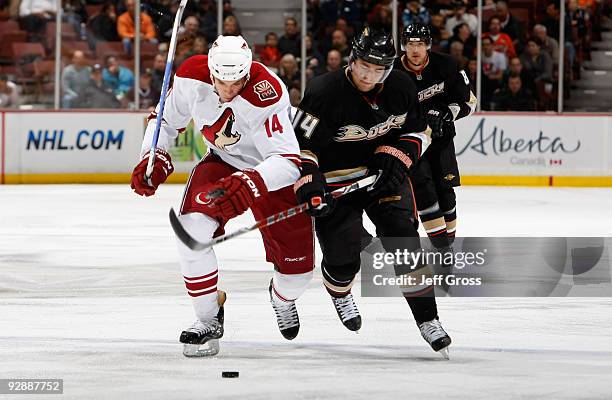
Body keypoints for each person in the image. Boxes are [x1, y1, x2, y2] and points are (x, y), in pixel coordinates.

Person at [130, 35, 314, 357]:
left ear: (248, 72)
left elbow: (288, 162)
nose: (229, 90)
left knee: (298, 275)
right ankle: (207, 317)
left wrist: (251, 182)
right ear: (211, 72)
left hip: (270, 174)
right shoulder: (190, 76)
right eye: (222, 82)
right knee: (191, 233)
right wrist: (153, 155)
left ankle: (282, 298)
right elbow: (165, 121)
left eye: (237, 82)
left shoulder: (265, 92)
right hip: (223, 163)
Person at [293, 27, 452, 358]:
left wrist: (397, 157)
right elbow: (301, 146)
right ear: (352, 60)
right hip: (336, 180)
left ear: (389, 68)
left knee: (403, 238)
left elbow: (419, 131)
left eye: (378, 68)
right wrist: (310, 181)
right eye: (364, 66)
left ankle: (428, 319)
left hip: (381, 177)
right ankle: (339, 291)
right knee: (343, 258)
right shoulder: (324, 91)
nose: (370, 75)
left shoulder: (401, 87)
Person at [395, 23, 476, 252]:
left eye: (420, 44)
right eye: (410, 44)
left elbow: (469, 102)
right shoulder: (392, 73)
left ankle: (447, 244)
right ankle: (442, 248)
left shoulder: (447, 65)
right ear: (404, 46)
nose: (415, 50)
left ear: (428, 46)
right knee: (424, 191)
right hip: (412, 144)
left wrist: (446, 113)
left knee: (446, 194)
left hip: (441, 142)